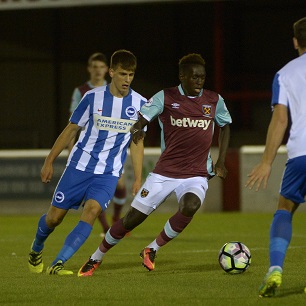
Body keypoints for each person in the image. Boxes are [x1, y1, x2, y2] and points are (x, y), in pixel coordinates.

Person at [78, 53, 232, 277]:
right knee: (132, 220)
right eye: (195, 77)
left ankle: (152, 248)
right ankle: (96, 257)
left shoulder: (213, 100)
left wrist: (221, 161)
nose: (199, 81)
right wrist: (138, 127)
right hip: (164, 173)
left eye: (202, 77)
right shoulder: (166, 96)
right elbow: (142, 118)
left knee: (190, 206)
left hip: (196, 173)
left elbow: (225, 127)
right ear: (182, 76)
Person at [28, 49, 147, 275]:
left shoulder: (141, 104)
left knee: (92, 211)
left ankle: (59, 262)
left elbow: (137, 142)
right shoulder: (92, 98)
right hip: (78, 167)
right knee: (54, 219)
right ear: (111, 72)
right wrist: (49, 161)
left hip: (108, 173)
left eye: (131, 75)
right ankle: (36, 248)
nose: (127, 80)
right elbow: (71, 129)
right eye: (123, 74)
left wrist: (138, 178)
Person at [245, 17, 306, 297]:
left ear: (295, 41)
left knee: (284, 208)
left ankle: (276, 269)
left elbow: (280, 120)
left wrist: (267, 161)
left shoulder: (285, 73)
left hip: (300, 153)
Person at [68, 52, 128, 237]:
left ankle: (116, 219)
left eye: (102, 67)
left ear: (107, 70)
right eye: (95, 67)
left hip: (112, 148)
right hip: (89, 150)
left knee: (121, 185)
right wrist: (71, 148)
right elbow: (73, 123)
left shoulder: (115, 89)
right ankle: (105, 227)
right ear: (89, 69)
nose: (98, 70)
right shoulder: (81, 91)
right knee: (93, 191)